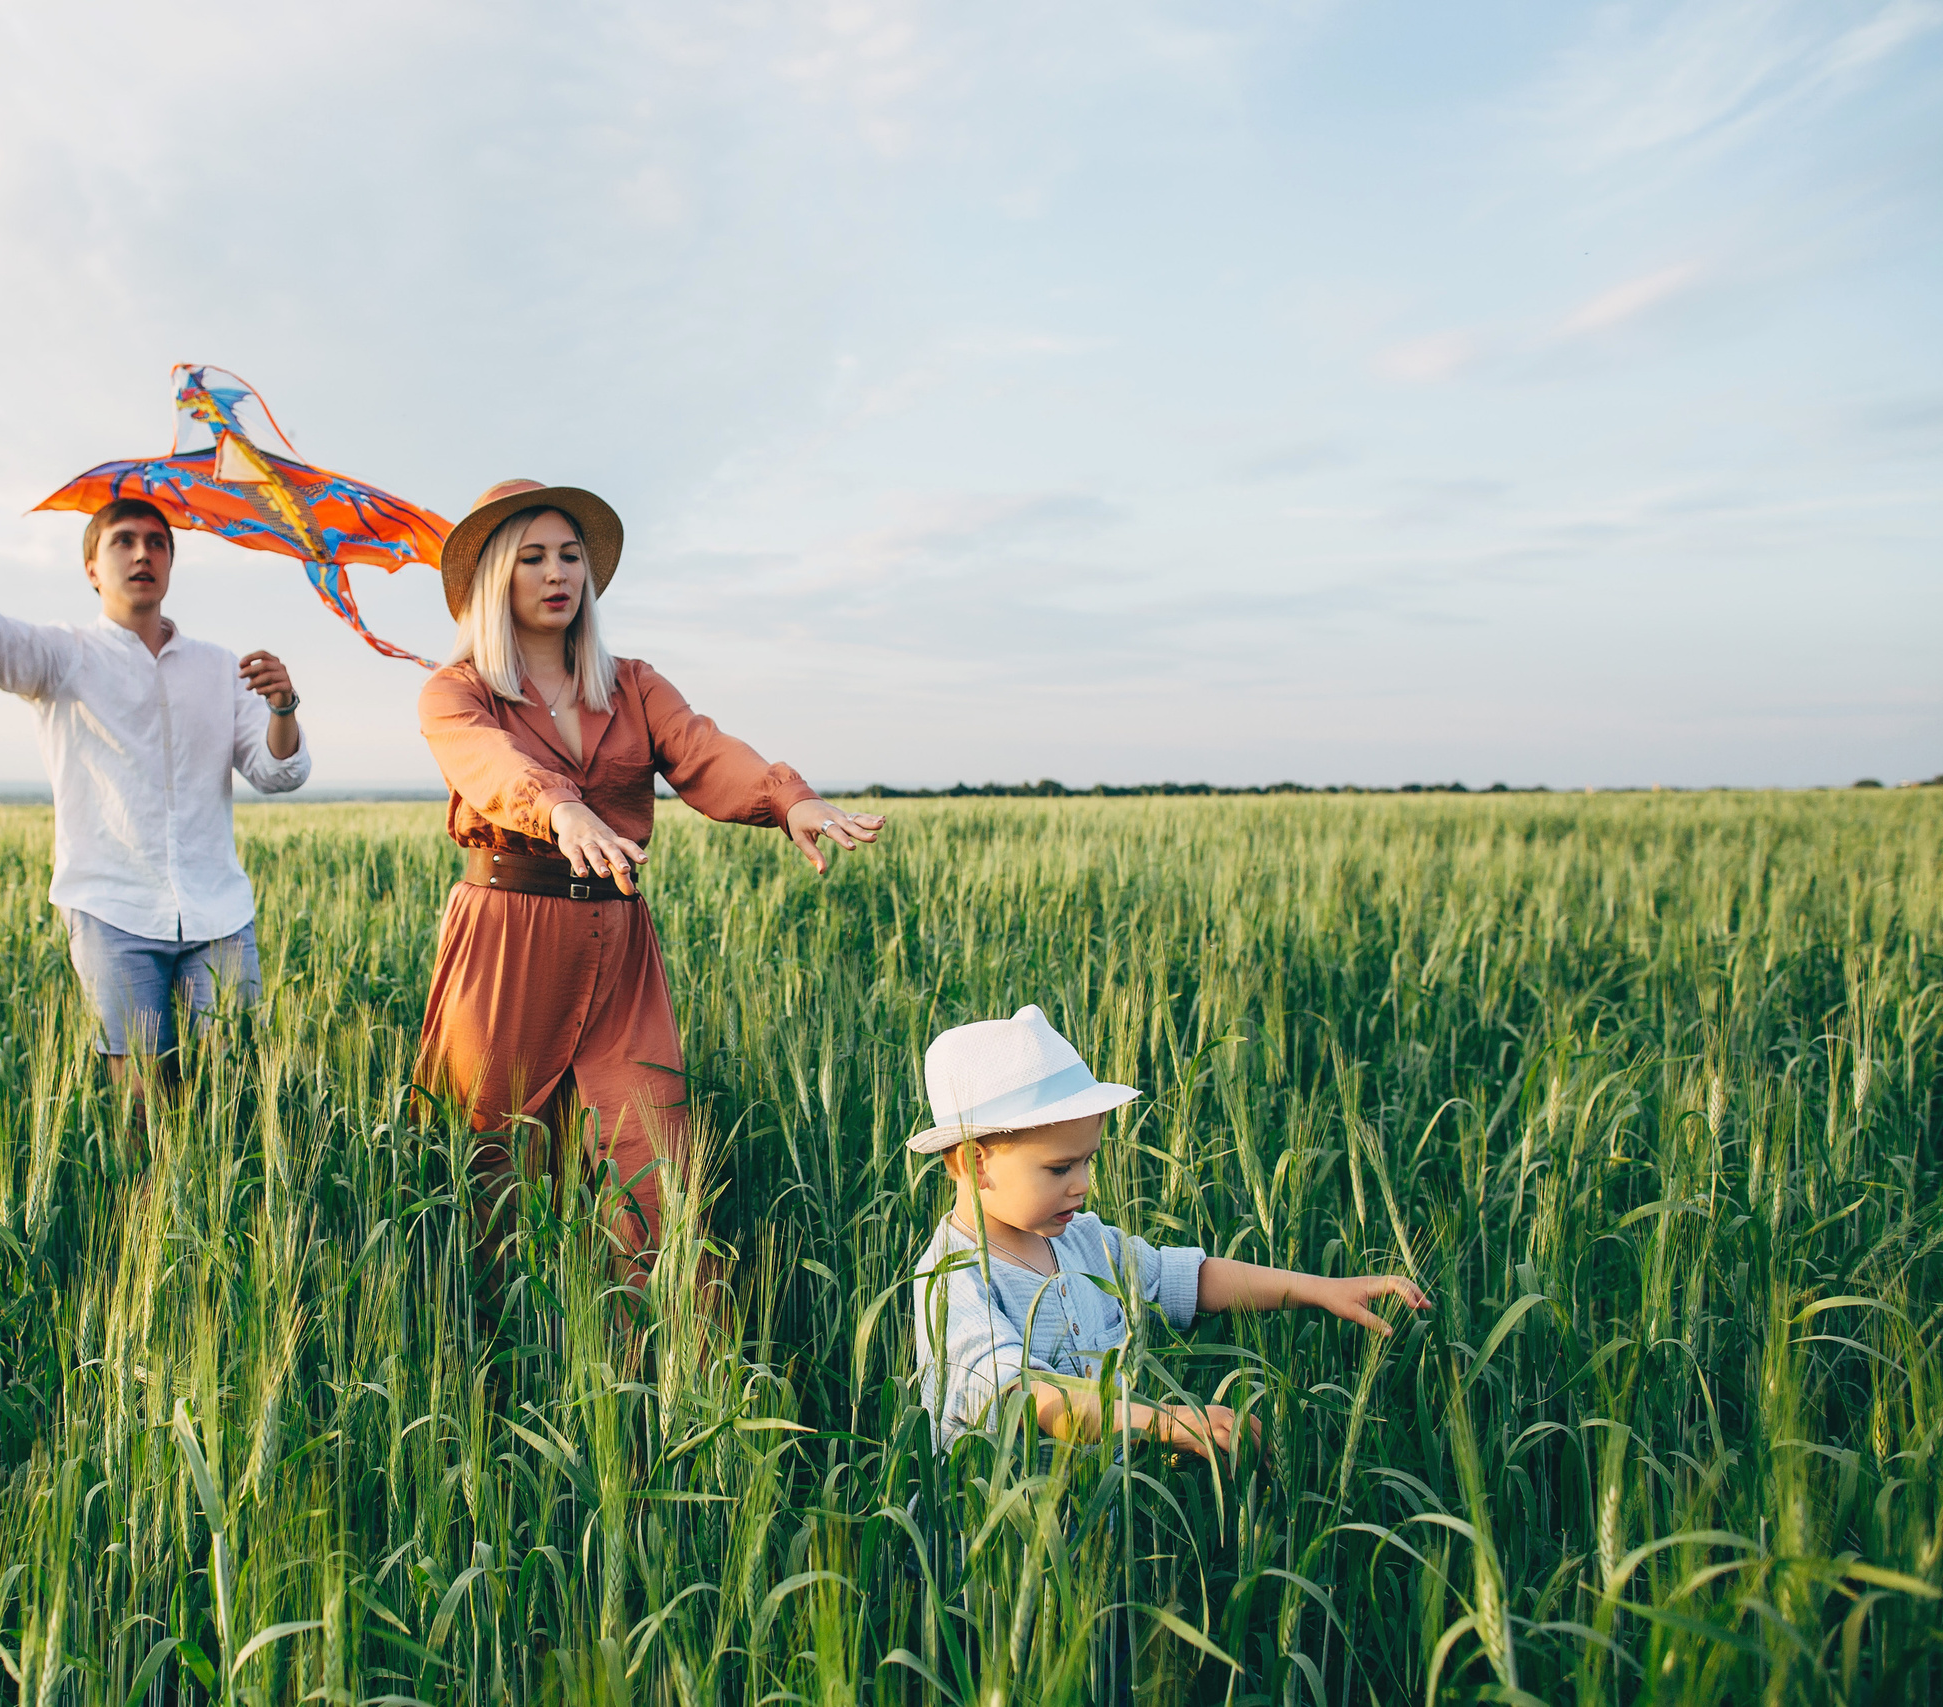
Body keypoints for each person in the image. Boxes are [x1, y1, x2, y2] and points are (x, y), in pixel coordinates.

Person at [416, 479, 886, 1276]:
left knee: (653, 1156)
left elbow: (703, 751)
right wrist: (562, 811)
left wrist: (789, 800)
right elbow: (492, 766)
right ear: (496, 577)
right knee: (493, 1164)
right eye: (532, 558)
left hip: (617, 944)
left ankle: (666, 1370)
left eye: (570, 555)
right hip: (506, 945)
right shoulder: (454, 693)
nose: (558, 572)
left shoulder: (631, 682)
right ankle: (503, 1368)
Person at [0, 484, 310, 1097]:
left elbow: (279, 773)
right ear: (92, 569)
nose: (143, 554)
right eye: (124, 541)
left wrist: (283, 707)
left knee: (230, 1090)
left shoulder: (220, 668)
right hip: (113, 912)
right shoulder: (63, 655)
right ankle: (143, 1198)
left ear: (171, 564)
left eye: (158, 544)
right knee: (139, 1100)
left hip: (218, 912)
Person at [909, 1005, 1430, 1451]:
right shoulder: (952, 1282)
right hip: (996, 1553)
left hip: (1099, 1534)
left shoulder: (1083, 1240)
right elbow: (1026, 1397)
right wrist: (1170, 1422)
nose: (1083, 1185)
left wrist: (1322, 1290)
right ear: (976, 1163)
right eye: (1060, 1168)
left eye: (1089, 1161)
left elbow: (1190, 1280)